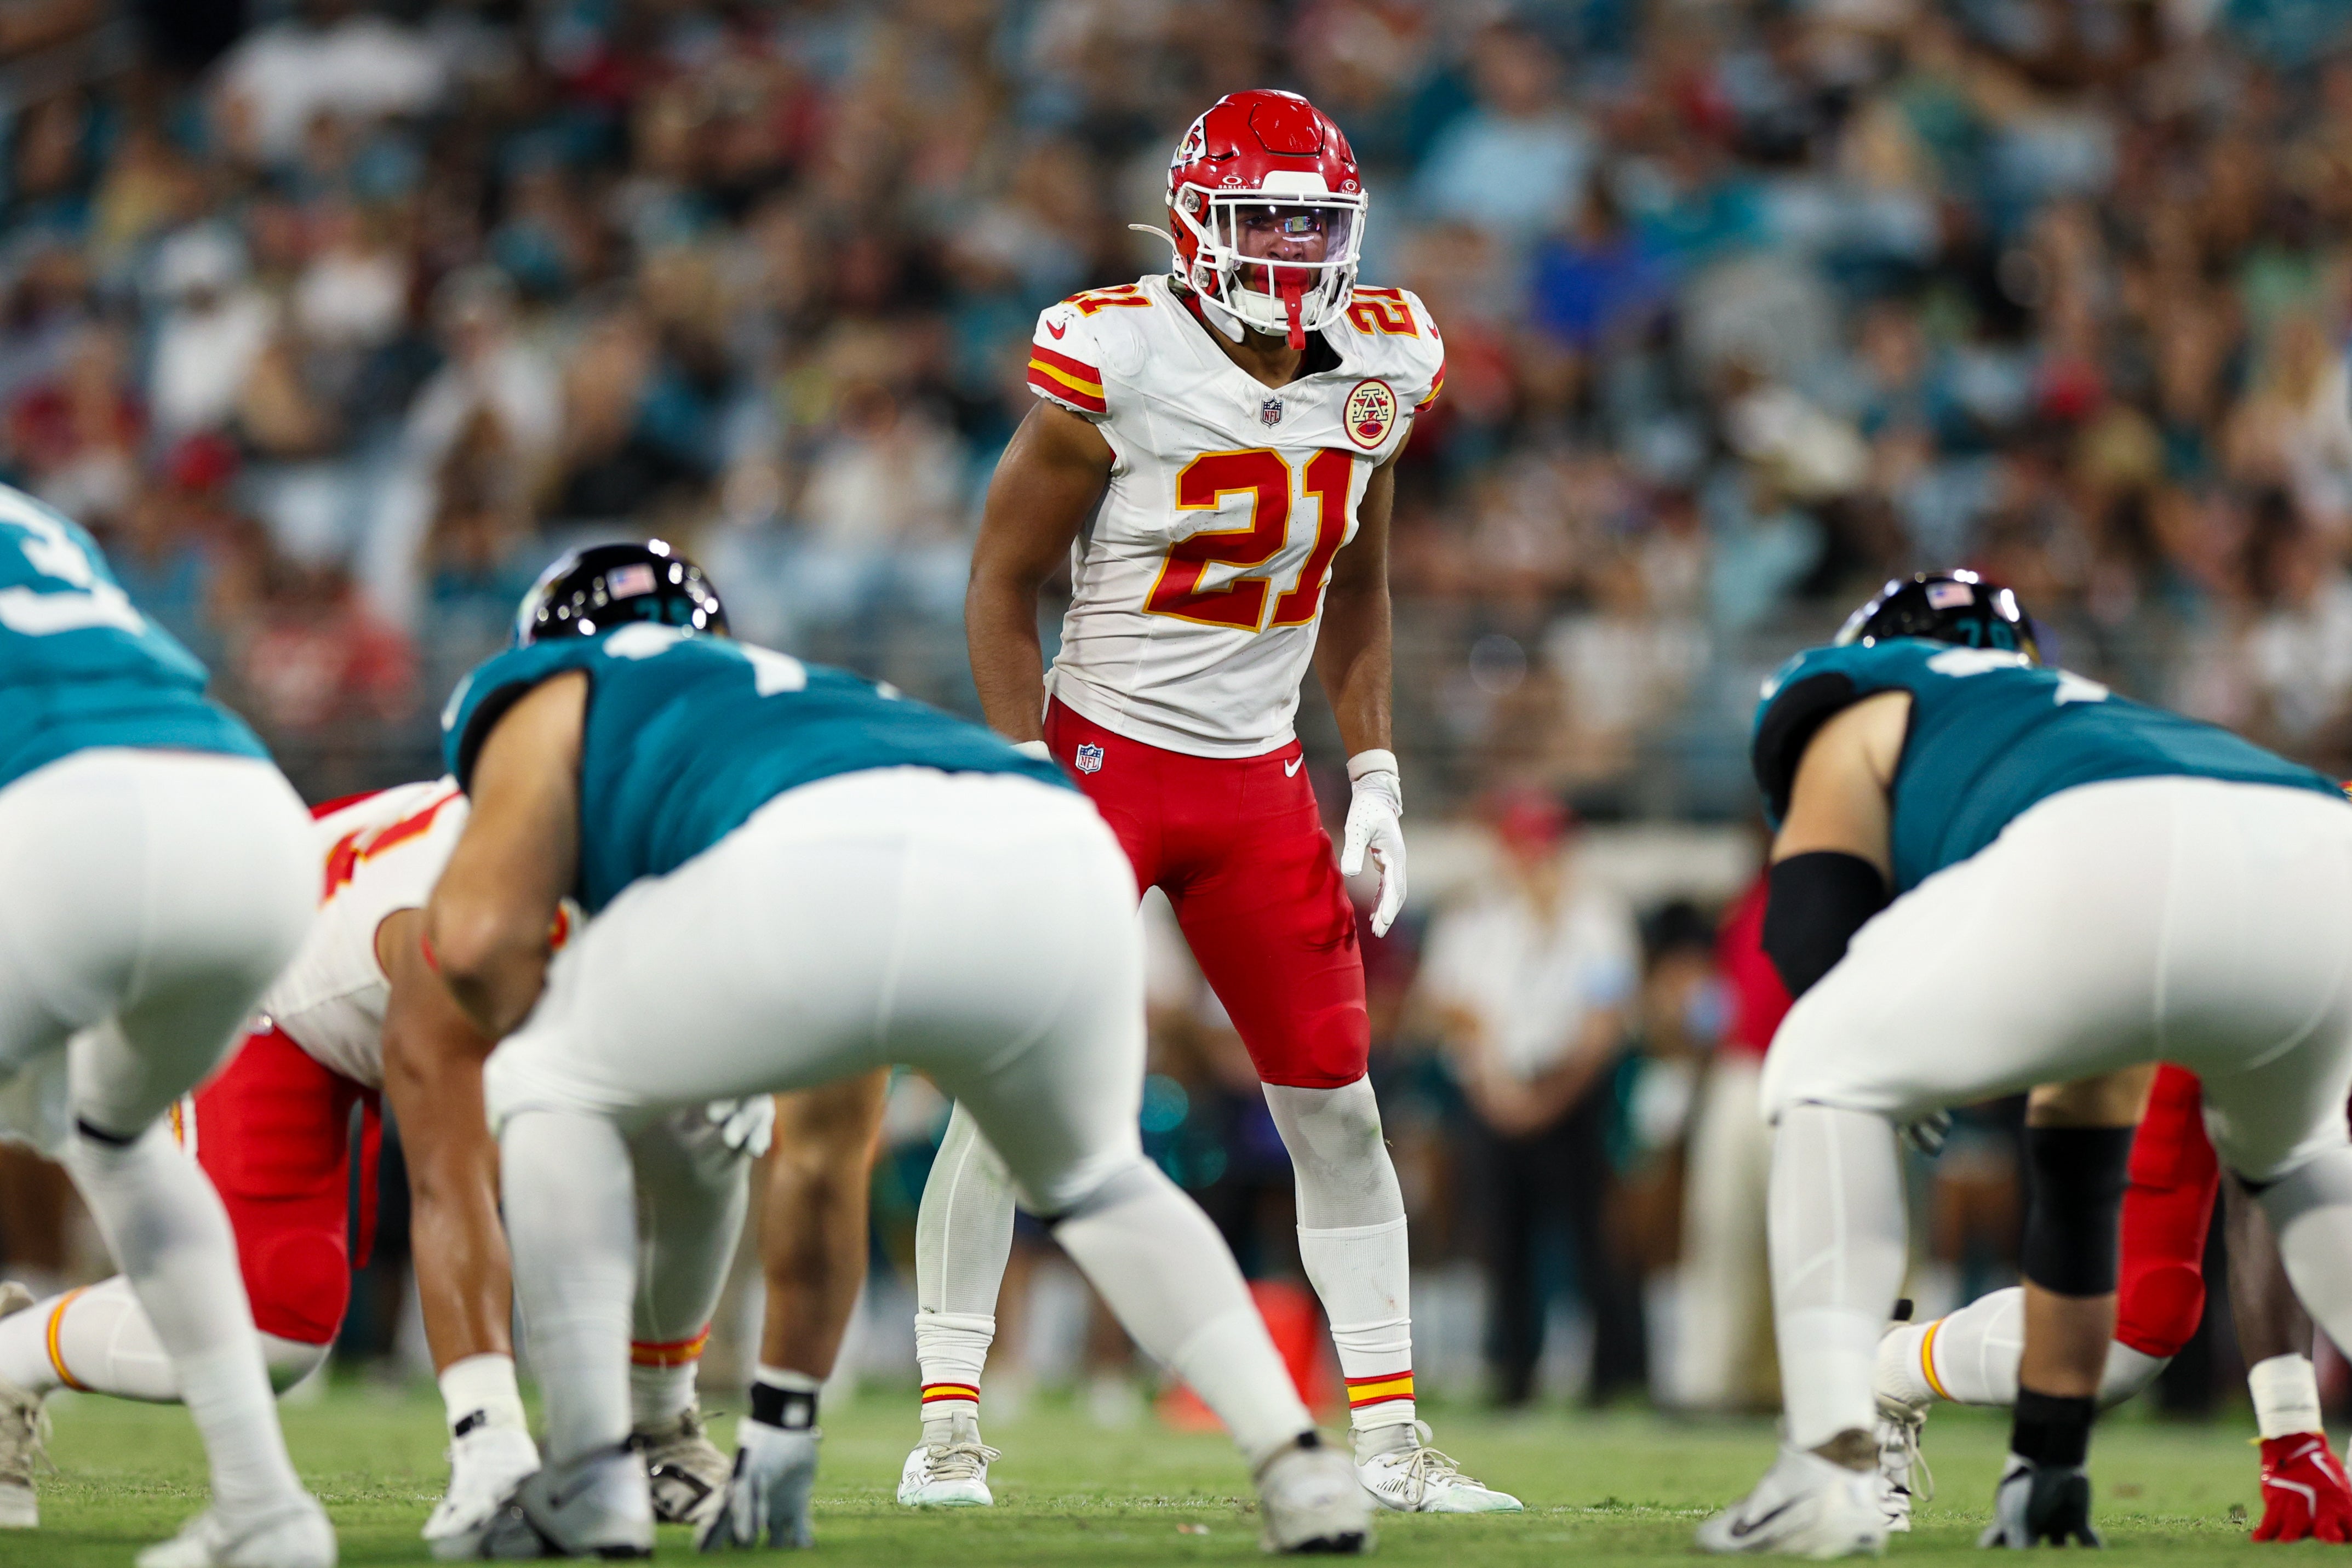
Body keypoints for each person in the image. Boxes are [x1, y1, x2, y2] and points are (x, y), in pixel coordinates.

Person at [423, 542, 1372, 1557]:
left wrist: (587, 1043)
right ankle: (1299, 1464)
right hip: (1051, 837)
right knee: (1099, 1182)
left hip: (816, 854)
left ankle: (589, 1476)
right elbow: (824, 1151)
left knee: (541, 1079)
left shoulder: (558, 686)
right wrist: (779, 1440)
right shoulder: (790, 696)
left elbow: (476, 943)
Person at [932, 85, 1518, 1517]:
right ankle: (945, 1429)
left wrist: (1373, 771)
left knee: (1339, 1113)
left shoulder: (1383, 357)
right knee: (1006, 1095)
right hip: (1102, 759)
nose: (1288, 251)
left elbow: (1357, 585)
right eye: (1261, 220)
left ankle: (1390, 1442)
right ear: (1195, 221)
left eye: (1312, 224)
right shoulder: (1119, 353)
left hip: (1257, 782)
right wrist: (1019, 770)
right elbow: (1000, 581)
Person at [1698, 570, 2352, 1556]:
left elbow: (1808, 924)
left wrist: (1871, 1040)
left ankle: (1826, 1464)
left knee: (1818, 1067)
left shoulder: (1853, 694)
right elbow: (2095, 1145)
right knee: (2274, 1177)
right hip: (2304, 845)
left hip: (2123, 868)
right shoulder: (2094, 720)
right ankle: (2034, 1463)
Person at [0, 775, 792, 1551]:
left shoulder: (686, 876)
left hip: (401, 936)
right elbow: (449, 1183)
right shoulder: (461, 924)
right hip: (276, 984)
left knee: (712, 1122)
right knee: (275, 1324)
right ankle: (13, 1355)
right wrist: (489, 1434)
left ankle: (657, 1425)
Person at [0, 481, 330, 1567]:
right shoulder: (32, 516)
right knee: (119, 1141)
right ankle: (264, 1507)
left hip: (62, 814)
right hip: (247, 815)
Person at [1873, 1062, 2352, 1542]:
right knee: (2126, 1336)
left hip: (2285, 1045)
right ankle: (1892, 1367)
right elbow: (2265, 1185)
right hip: (2176, 1040)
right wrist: (2290, 1435)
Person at [1416, 789, 1643, 1406]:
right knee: (1502, 1238)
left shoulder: (1596, 915)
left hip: (1572, 1090)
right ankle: (1512, 1370)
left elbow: (1605, 1014)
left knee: (1593, 1236)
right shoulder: (1472, 916)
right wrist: (1496, 1088)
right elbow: (1451, 1007)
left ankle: (1615, 1374)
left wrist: (1552, 1095)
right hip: (1493, 1091)